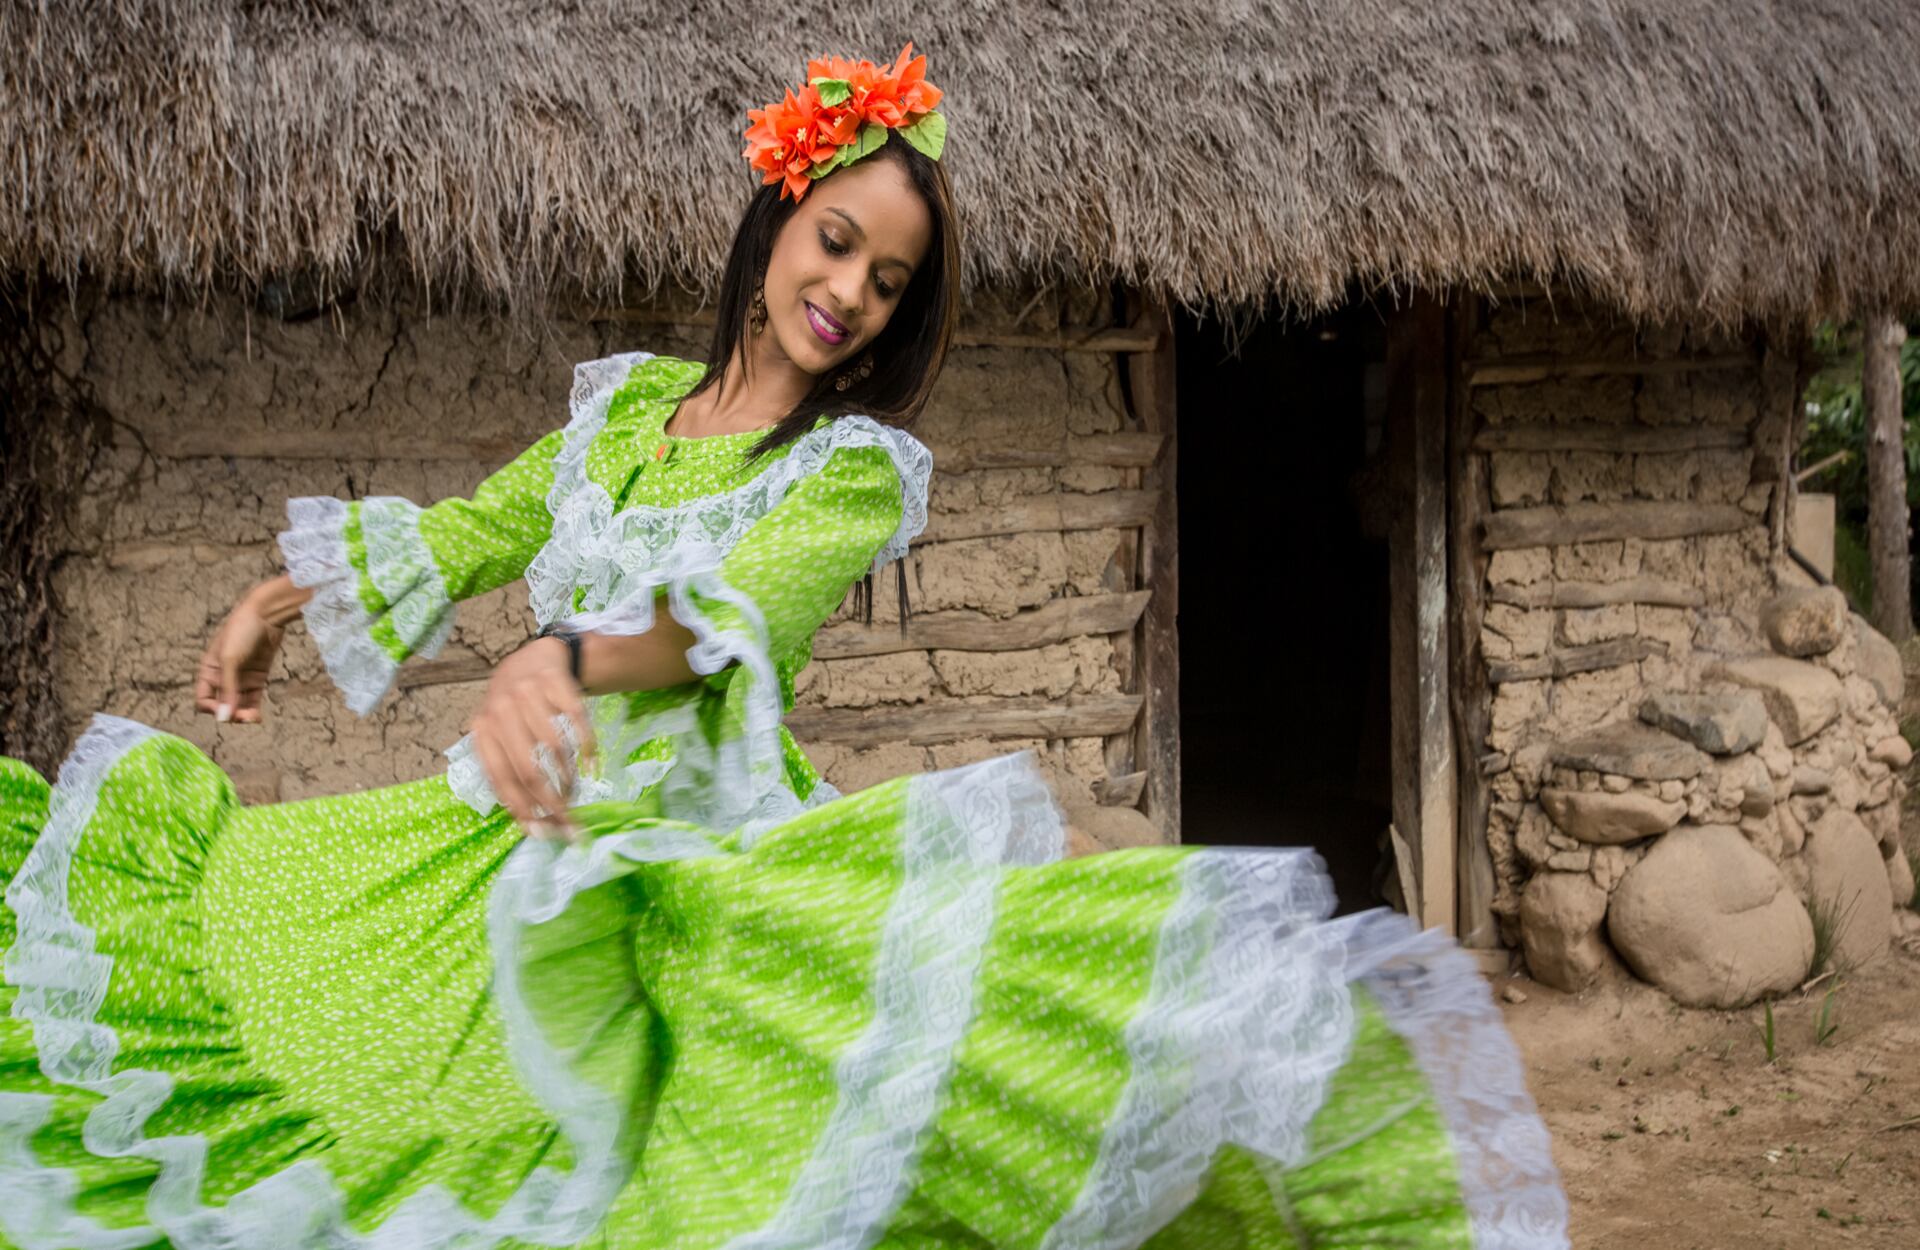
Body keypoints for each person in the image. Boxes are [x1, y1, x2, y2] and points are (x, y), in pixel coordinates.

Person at [0, 44, 1570, 1250]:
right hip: (495, 843)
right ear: (776, 218)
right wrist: (278, 600)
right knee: (318, 1094)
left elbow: (727, 623)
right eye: (834, 245)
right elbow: (478, 531)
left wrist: (570, 661)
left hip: (687, 866)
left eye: (886, 282)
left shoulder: (848, 472)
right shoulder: (620, 413)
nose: (850, 297)